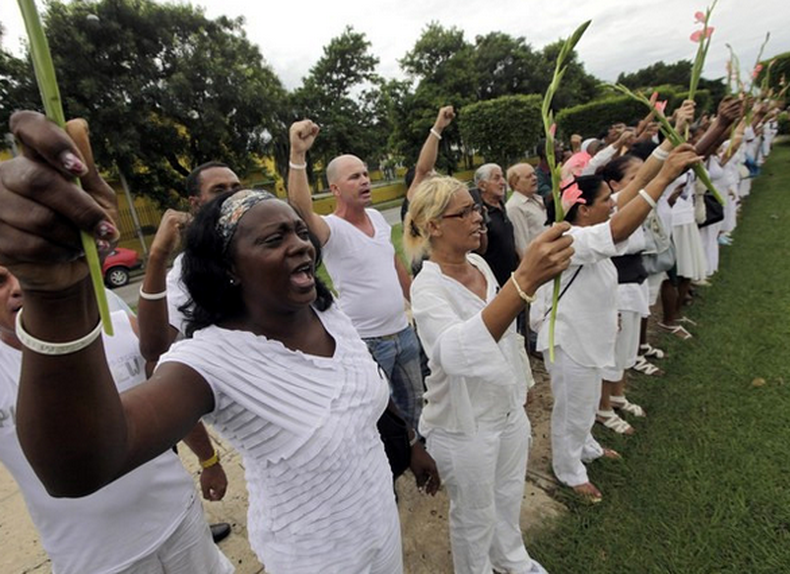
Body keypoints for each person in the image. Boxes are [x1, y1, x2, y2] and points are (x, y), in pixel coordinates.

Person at [0, 112, 439, 573]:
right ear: (230, 268)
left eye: (299, 232)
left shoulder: (323, 310)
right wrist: (56, 294)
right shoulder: (211, 359)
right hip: (319, 560)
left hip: (381, 535)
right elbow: (79, 465)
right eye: (275, 238)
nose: (302, 245)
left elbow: (361, 388)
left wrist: (409, 440)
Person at [0, 264, 234, 574]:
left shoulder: (121, 326)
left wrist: (209, 460)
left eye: (28, 271)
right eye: (1, 280)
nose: (19, 287)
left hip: (180, 519)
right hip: (98, 562)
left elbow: (166, 404)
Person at [404, 175, 574, 574]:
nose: (478, 217)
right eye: (465, 211)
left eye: (476, 207)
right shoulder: (427, 288)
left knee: (508, 496)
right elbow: (454, 352)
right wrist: (524, 280)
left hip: (506, 408)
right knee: (474, 517)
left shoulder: (479, 262)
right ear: (434, 226)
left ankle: (512, 561)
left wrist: (522, 383)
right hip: (466, 425)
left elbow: (507, 335)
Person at [529, 117, 700, 502]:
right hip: (569, 340)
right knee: (572, 408)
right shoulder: (569, 237)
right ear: (584, 209)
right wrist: (665, 175)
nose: (613, 203)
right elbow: (621, 226)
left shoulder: (587, 221)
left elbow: (634, 187)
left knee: (587, 401)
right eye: (606, 200)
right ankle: (568, 468)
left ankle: (585, 446)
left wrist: (663, 150)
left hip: (590, 333)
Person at [287, 119, 425, 433]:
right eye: (355, 177)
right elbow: (300, 211)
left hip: (403, 334)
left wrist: (420, 303)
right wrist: (298, 155)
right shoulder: (331, 228)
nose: (365, 180)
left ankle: (417, 452)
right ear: (335, 189)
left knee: (415, 404)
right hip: (367, 342)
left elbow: (395, 265)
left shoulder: (377, 218)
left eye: (365, 174)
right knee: (377, 416)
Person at [137, 161, 242, 544]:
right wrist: (157, 257)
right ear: (195, 203)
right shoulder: (184, 274)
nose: (231, 193)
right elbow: (154, 352)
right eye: (219, 189)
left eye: (236, 184)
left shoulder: (264, 242)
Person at [472, 163, 519, 288]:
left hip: (513, 279)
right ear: (482, 185)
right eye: (496, 178)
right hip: (495, 283)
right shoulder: (479, 214)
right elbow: (480, 249)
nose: (503, 182)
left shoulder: (502, 207)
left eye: (502, 177)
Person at [505, 162, 547, 256]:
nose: (535, 178)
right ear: (515, 183)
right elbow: (521, 245)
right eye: (528, 177)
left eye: (534, 174)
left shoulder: (538, 199)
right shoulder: (515, 207)